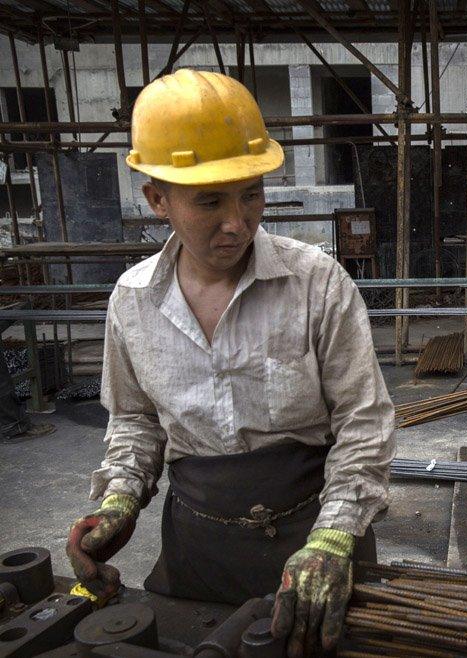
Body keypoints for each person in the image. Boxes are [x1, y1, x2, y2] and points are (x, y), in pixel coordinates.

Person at [64, 70, 395, 658]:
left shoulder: (316, 283)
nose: (237, 221)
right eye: (210, 200)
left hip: (313, 534)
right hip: (200, 544)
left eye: (252, 193)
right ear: (157, 197)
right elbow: (137, 421)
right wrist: (119, 501)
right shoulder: (133, 300)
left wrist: (336, 535)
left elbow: (362, 422)